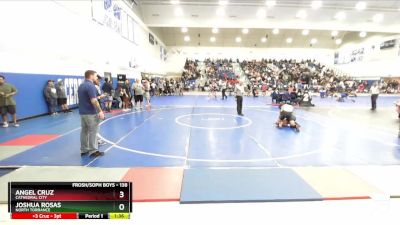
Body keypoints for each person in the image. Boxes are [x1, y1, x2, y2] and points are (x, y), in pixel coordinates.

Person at [78, 70, 105, 157]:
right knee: (93, 131)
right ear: (91, 76)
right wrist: (100, 111)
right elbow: (93, 100)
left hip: (83, 113)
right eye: (96, 76)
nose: (97, 78)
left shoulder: (81, 86)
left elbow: (88, 98)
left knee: (84, 131)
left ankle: (84, 149)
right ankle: (93, 151)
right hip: (90, 113)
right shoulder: (90, 86)